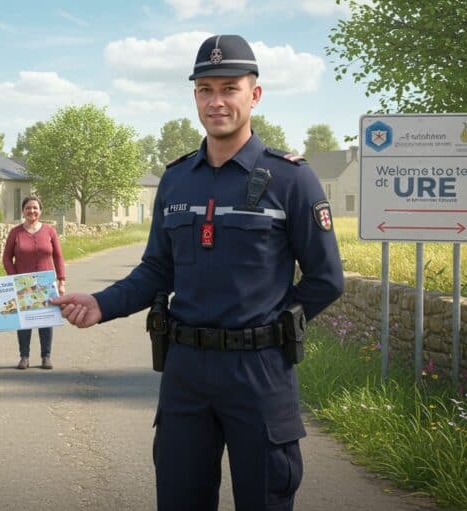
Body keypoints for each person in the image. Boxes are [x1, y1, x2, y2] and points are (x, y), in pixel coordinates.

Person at [55, 34, 344, 510]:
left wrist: (274, 327)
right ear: (195, 97)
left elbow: (326, 279)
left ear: (254, 94)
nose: (217, 101)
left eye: (229, 88)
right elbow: (156, 269)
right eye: (206, 90)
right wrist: (100, 303)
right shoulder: (176, 178)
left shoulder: (291, 180)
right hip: (185, 371)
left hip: (260, 373)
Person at [2, 195, 66, 370]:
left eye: (35, 208)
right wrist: (14, 278)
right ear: (23, 211)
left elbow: (58, 257)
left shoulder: (49, 231)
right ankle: (24, 357)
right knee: (24, 321)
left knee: (46, 320)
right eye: (28, 208)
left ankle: (46, 357)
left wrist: (61, 281)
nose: (32, 211)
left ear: (40, 211)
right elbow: (7, 258)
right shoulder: (15, 232)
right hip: (23, 284)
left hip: (46, 284)